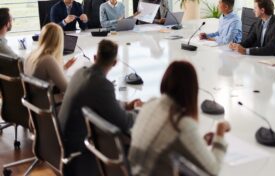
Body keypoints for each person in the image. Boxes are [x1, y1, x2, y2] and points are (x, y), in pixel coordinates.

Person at [129, 61, 230, 176]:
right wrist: (220, 131)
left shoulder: (150, 104)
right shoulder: (181, 123)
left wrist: (199, 142)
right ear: (192, 90)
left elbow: (168, 142)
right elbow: (214, 170)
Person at [59, 39, 142, 175]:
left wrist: (124, 105)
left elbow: (104, 102)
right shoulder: (102, 85)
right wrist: (138, 110)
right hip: (78, 148)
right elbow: (125, 123)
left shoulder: (80, 73)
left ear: (95, 57)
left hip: (61, 139)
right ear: (115, 63)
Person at [24, 23, 76, 94]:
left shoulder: (31, 54)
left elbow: (49, 76)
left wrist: (65, 67)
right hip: (47, 102)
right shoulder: (48, 60)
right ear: (59, 40)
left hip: (34, 101)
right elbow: (66, 88)